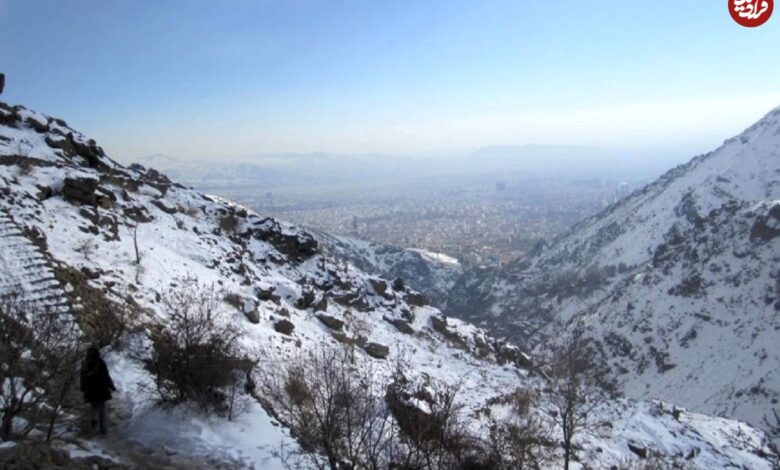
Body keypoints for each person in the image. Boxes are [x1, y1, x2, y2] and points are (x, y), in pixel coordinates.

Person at [80, 346, 116, 435]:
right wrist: (112, 386)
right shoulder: (100, 362)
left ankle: (94, 423)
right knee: (102, 408)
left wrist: (83, 388)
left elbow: (82, 378)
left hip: (90, 390)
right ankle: (103, 429)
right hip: (101, 388)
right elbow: (106, 375)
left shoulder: (85, 363)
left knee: (94, 407)